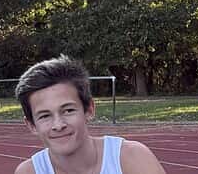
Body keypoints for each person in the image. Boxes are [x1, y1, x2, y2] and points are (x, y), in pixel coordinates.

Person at [14, 55, 165, 174]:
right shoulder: (30, 171)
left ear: (89, 109)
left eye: (68, 110)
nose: (58, 125)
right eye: (45, 116)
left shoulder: (131, 158)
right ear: (32, 125)